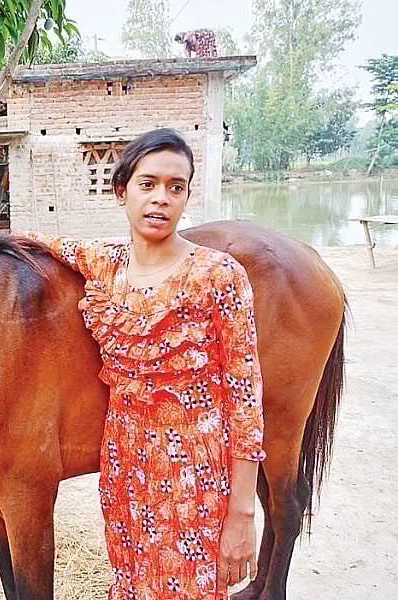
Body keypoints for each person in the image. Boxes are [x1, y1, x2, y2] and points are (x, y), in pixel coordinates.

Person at [27, 128, 264, 599]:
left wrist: (242, 512)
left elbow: (245, 400)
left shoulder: (219, 276)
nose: (161, 199)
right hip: (125, 467)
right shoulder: (108, 265)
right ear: (122, 191)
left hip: (195, 473)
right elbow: (48, 242)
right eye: (148, 184)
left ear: (187, 197)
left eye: (176, 187)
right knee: (131, 580)